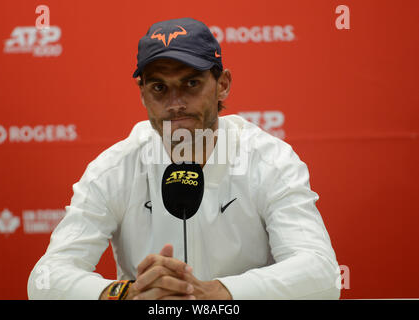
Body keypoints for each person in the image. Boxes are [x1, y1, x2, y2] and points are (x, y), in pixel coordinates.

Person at [27, 17, 340, 300]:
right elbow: (44, 280)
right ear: (142, 94)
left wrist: (220, 293)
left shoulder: (270, 161)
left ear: (223, 85)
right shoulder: (113, 169)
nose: (175, 103)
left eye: (191, 83)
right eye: (159, 87)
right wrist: (126, 294)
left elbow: (321, 274)